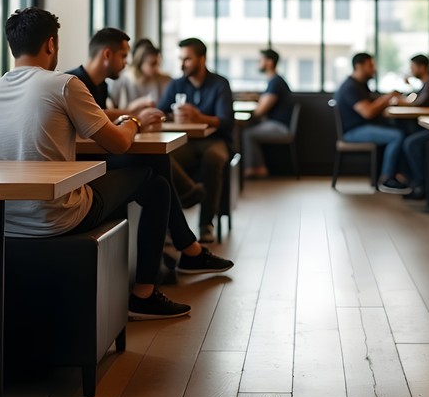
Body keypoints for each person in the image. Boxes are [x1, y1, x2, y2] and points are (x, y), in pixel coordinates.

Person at [0, 9, 225, 321]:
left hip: (4, 220)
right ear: (51, 44)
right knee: (156, 184)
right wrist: (133, 121)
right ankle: (145, 293)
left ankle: (185, 251)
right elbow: (119, 143)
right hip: (57, 215)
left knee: (147, 170)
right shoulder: (64, 84)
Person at [66, 26, 233, 280]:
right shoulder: (75, 84)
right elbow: (105, 135)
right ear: (107, 54)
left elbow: (99, 119)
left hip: (100, 159)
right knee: (157, 170)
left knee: (164, 164)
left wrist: (132, 117)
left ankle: (187, 247)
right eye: (124, 56)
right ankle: (187, 242)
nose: (127, 63)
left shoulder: (98, 87)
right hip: (83, 170)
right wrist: (134, 121)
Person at [157, 38, 234, 244]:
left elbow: (226, 122)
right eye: (180, 59)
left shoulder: (220, 84)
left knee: (213, 158)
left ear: (202, 59)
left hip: (215, 140)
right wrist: (173, 117)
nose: (182, 65)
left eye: (188, 59)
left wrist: (199, 117)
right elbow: (160, 112)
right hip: (185, 141)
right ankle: (173, 220)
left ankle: (205, 224)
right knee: (163, 158)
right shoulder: (177, 84)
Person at [333, 52, 412, 194]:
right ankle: (386, 179)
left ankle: (402, 176)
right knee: (397, 136)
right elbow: (367, 112)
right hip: (353, 132)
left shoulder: (360, 85)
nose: (373, 69)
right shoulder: (351, 87)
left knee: (397, 129)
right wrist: (387, 98)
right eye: (370, 66)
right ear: (359, 66)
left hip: (362, 128)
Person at [400, 54, 429, 200]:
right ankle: (421, 183)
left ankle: (424, 185)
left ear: (422, 67)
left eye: (412, 66)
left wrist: (401, 101)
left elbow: (418, 104)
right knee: (407, 137)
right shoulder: (428, 84)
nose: (410, 70)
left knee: (411, 143)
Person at [241, 49, 294, 178]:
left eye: (260, 60)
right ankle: (254, 167)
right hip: (275, 124)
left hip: (279, 127)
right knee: (245, 130)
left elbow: (260, 112)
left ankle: (256, 168)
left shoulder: (275, 82)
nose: (258, 63)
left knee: (247, 133)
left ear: (269, 62)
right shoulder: (274, 81)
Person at [108, 40, 172, 111]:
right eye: (153, 64)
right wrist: (137, 104)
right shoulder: (122, 79)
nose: (157, 68)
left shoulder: (164, 79)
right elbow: (113, 109)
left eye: (158, 64)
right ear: (140, 62)